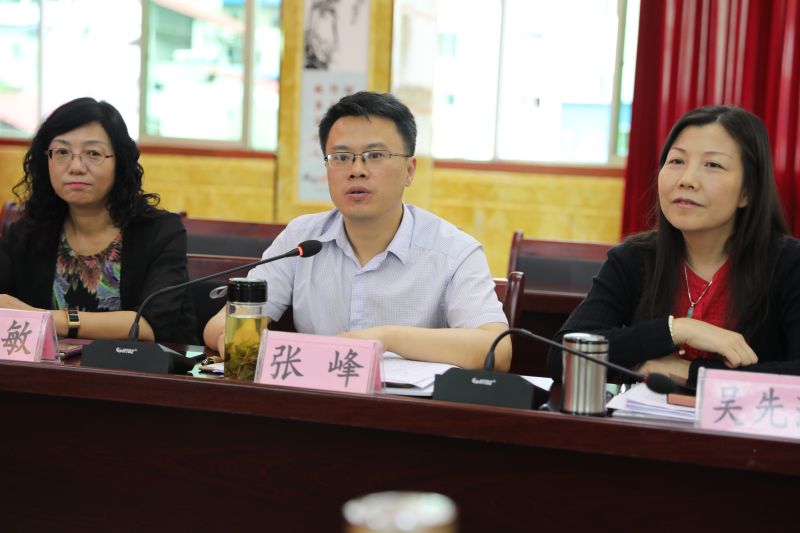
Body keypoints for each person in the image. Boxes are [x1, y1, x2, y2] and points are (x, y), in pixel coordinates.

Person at [204, 91, 511, 370]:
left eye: (375, 155)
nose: (357, 170)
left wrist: (387, 338)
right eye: (341, 157)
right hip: (317, 401)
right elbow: (219, 327)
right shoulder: (302, 239)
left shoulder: (453, 251)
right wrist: (240, 343)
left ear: (409, 170)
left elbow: (497, 350)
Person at [547, 105, 800, 386]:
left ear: (747, 192)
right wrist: (676, 330)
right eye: (677, 161)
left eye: (713, 165)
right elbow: (562, 358)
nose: (687, 180)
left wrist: (691, 373)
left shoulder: (789, 264)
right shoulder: (633, 259)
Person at [0, 97, 197, 343]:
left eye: (93, 153)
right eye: (61, 152)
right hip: (49, 368)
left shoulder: (160, 231)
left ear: (120, 162)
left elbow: (147, 326)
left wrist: (44, 319)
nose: (76, 167)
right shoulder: (27, 233)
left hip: (139, 367)